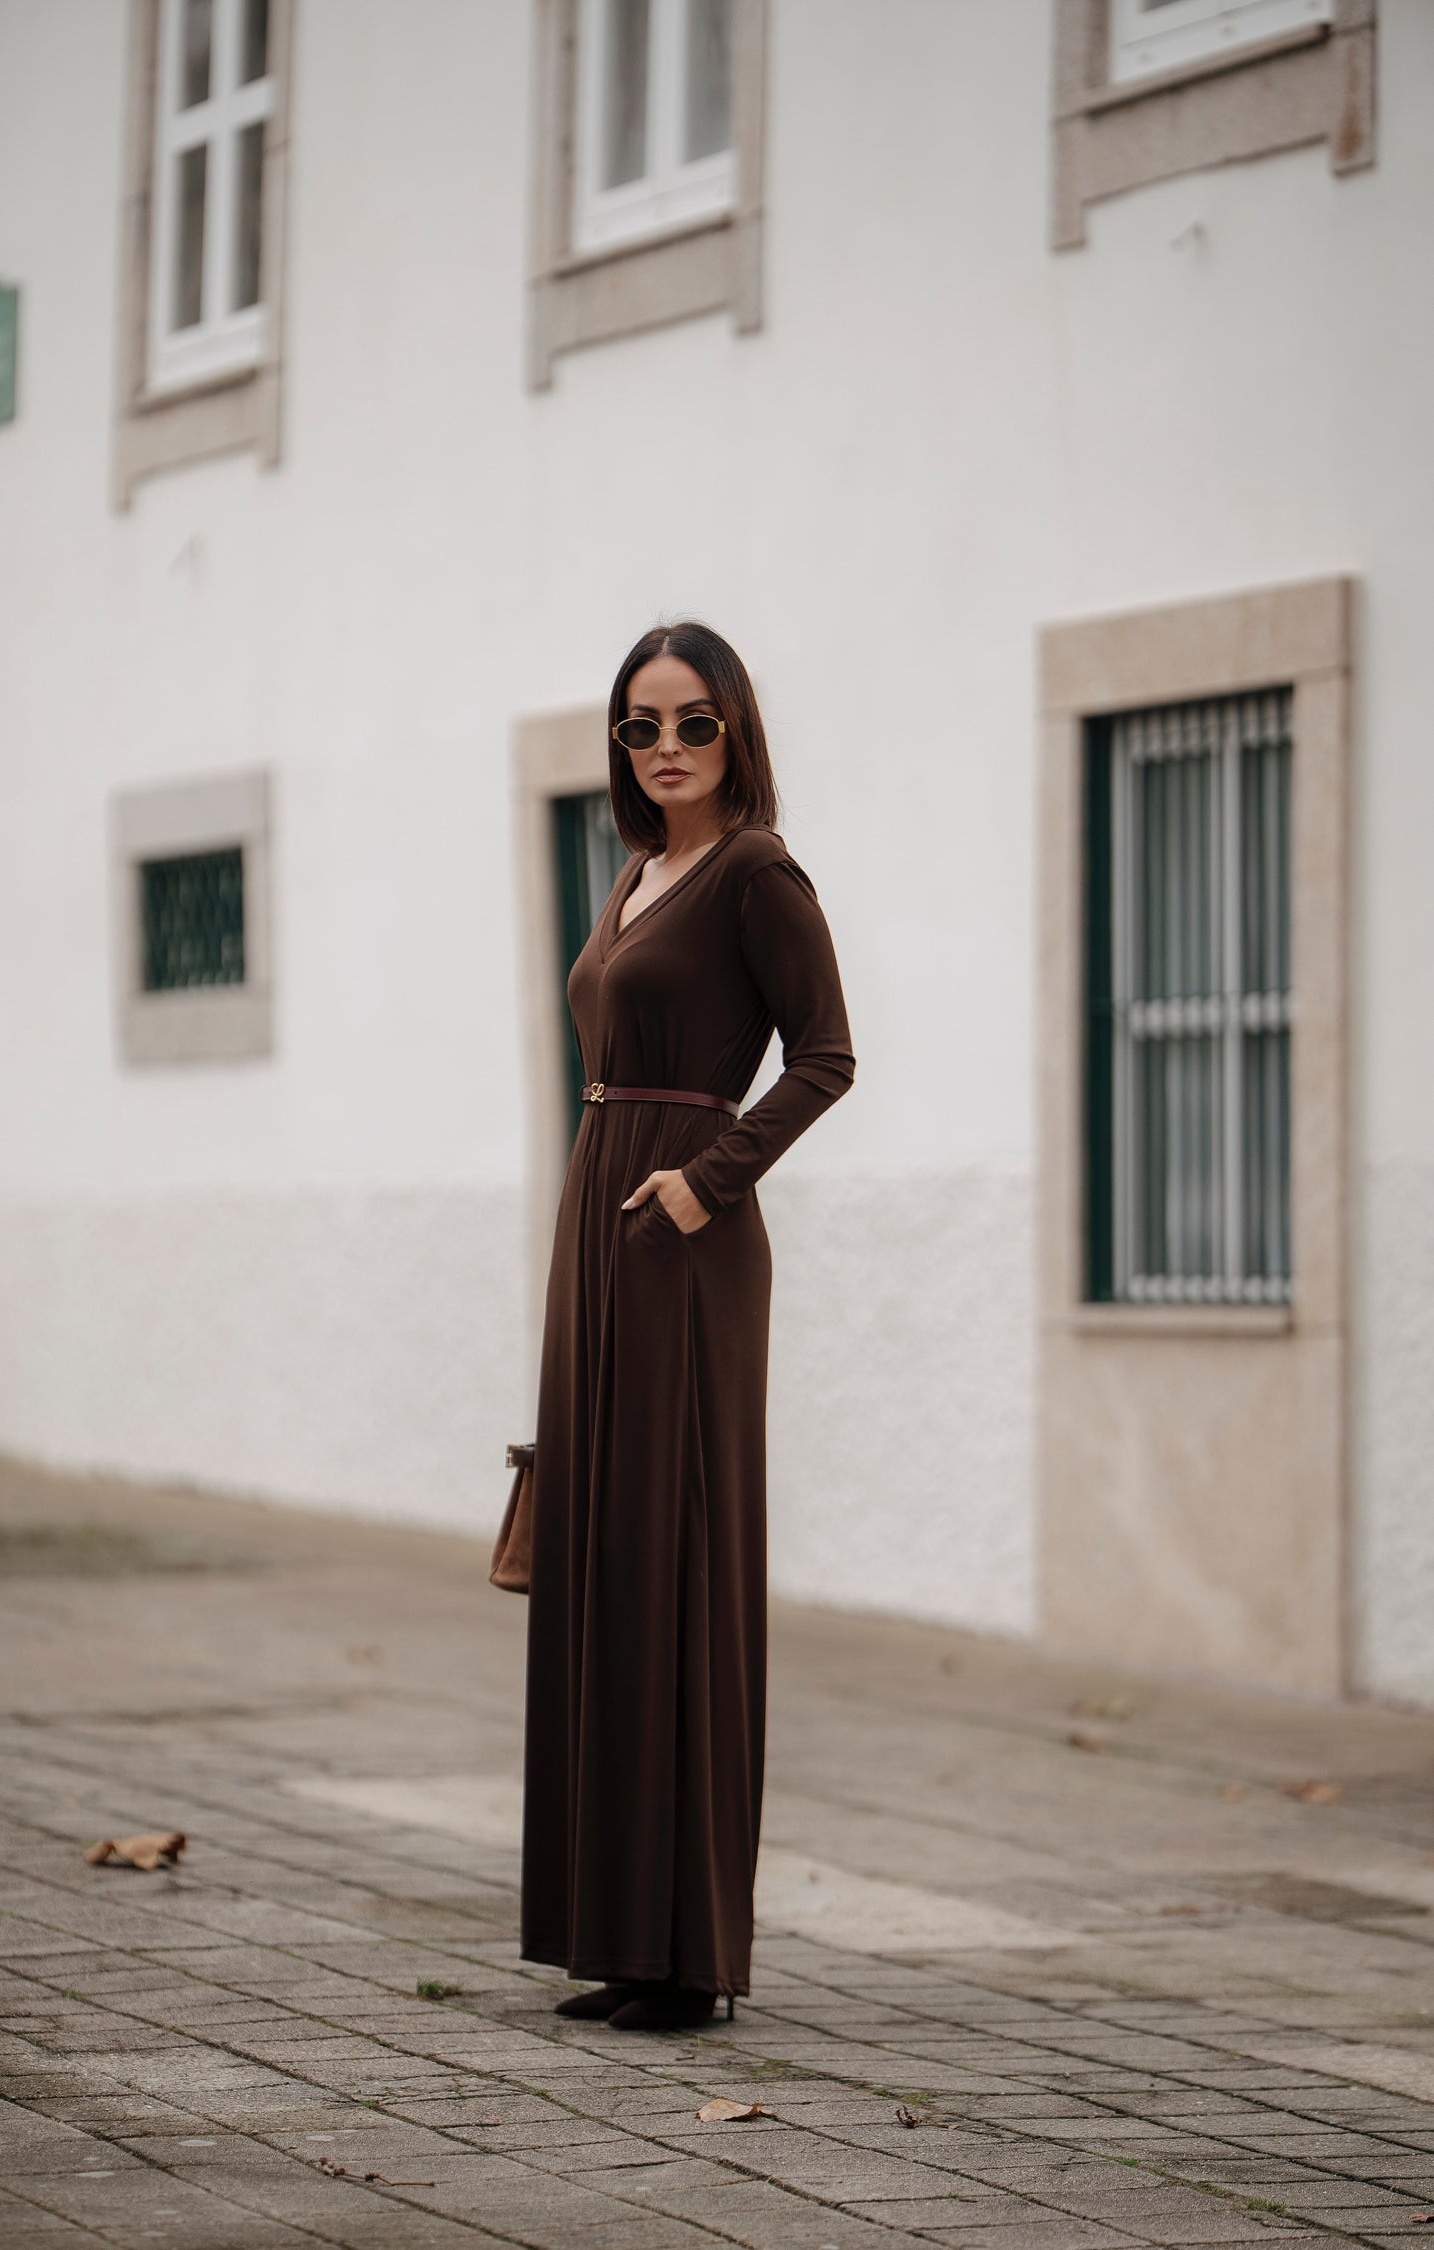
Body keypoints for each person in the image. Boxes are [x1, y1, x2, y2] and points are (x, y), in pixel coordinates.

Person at [519, 620, 856, 2031]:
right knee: (605, 1557)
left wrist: (709, 1183)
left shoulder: (756, 872)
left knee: (681, 1556)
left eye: (694, 722)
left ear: (736, 732)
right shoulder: (633, 873)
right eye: (642, 726)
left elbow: (827, 1057)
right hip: (601, 1223)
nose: (667, 747)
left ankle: (692, 1953)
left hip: (686, 1233)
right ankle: (620, 1940)